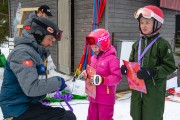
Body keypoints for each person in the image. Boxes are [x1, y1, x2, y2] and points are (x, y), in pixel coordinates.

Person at [0, 17, 76, 120]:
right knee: (66, 117)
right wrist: (57, 81)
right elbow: (32, 88)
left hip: (26, 105)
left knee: (64, 114)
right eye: (50, 39)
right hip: (17, 109)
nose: (50, 44)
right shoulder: (23, 53)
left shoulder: (33, 53)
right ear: (39, 34)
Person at [121, 5, 176, 120]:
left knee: (152, 116)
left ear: (156, 24)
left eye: (147, 22)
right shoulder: (136, 44)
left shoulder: (162, 44)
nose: (144, 26)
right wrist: (126, 68)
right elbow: (132, 63)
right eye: (142, 23)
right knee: (136, 115)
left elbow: (170, 66)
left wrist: (153, 71)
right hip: (137, 90)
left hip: (153, 91)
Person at [82, 28, 122, 120]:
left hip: (106, 98)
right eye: (92, 47)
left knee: (105, 118)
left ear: (103, 44)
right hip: (93, 95)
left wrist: (103, 80)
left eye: (95, 47)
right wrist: (87, 75)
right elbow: (93, 73)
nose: (94, 49)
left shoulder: (112, 59)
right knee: (91, 117)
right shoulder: (93, 58)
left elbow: (117, 78)